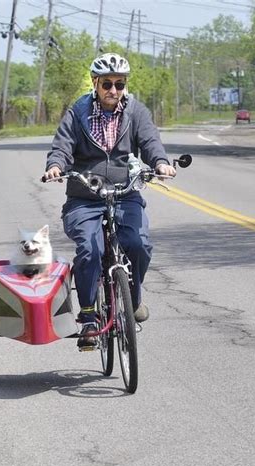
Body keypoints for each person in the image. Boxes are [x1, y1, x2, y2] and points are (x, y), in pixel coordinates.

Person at [43, 52, 174, 349]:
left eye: (119, 83)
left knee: (139, 245)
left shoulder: (136, 112)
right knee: (90, 248)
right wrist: (55, 166)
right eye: (107, 84)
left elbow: (151, 142)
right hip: (85, 197)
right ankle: (89, 317)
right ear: (95, 83)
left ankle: (133, 300)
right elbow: (62, 146)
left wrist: (161, 162)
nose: (113, 90)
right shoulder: (77, 112)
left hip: (125, 193)